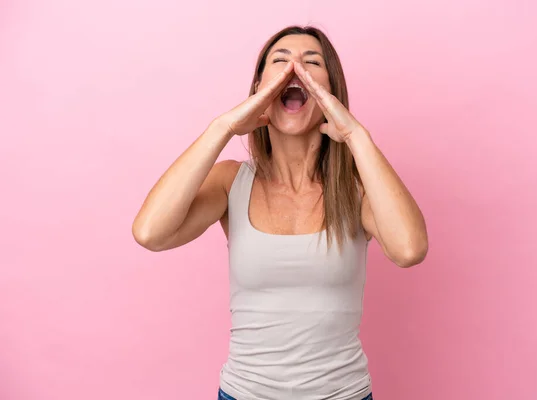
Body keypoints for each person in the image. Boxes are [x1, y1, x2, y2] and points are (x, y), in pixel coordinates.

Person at [132, 25, 428, 400]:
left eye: (312, 62)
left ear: (330, 92)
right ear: (259, 90)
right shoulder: (230, 182)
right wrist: (222, 127)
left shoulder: (357, 189)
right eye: (281, 60)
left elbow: (409, 249)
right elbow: (149, 232)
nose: (295, 69)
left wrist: (356, 135)